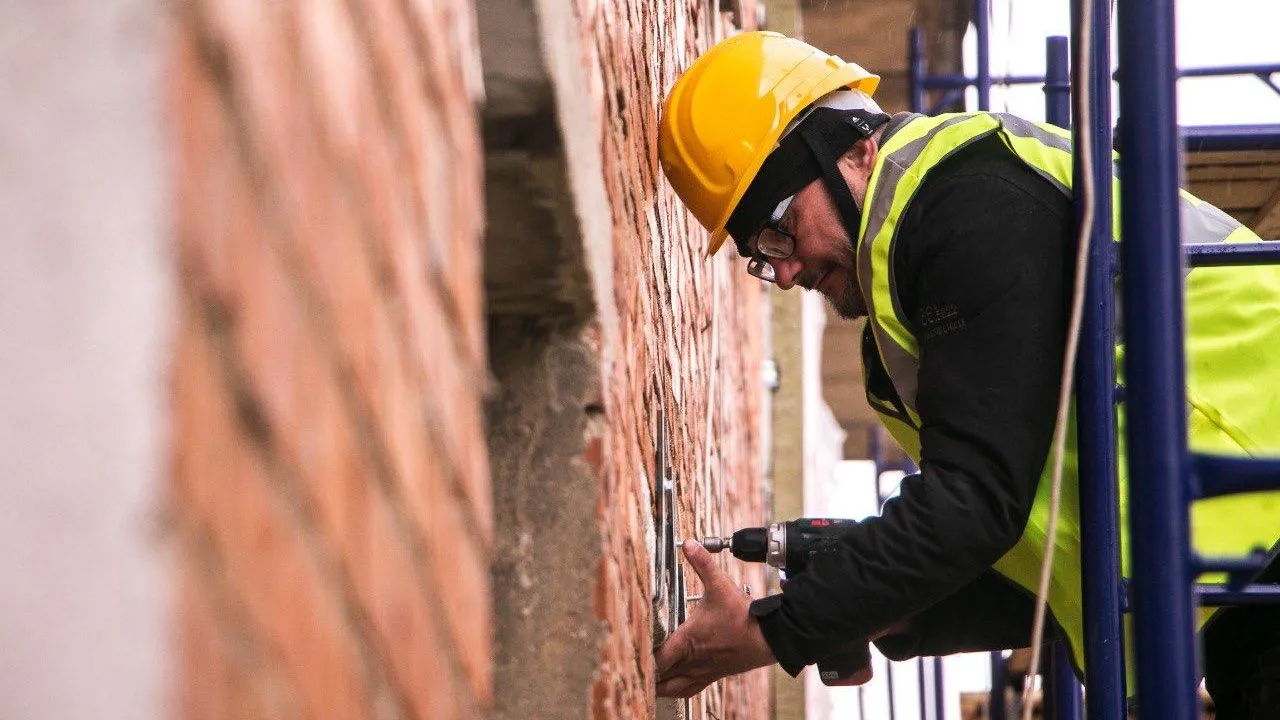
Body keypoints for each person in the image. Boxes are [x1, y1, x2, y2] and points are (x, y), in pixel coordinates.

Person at [652, 31, 1280, 719]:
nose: (787, 270)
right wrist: (881, 611)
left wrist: (773, 629)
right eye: (760, 256)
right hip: (1227, 580)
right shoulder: (910, 300)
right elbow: (1040, 561)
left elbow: (974, 504)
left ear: (856, 148)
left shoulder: (964, 204)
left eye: (780, 229)